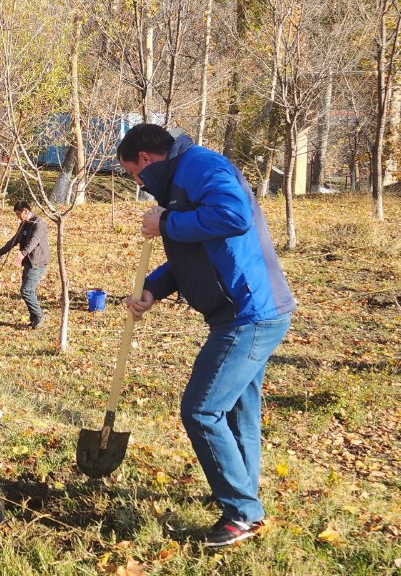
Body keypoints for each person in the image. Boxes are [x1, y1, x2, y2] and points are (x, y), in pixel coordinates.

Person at [117, 124, 296, 547]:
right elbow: (193, 256)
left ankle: (241, 512)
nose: (139, 186)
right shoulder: (181, 182)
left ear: (145, 158)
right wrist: (153, 289)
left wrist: (167, 222)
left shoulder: (200, 166)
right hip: (242, 313)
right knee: (237, 413)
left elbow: (233, 215)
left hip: (249, 314)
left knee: (201, 410)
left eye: (134, 175)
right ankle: (242, 495)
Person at [0, 200, 50, 329]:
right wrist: (0, 252)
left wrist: (22, 254)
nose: (18, 217)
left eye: (19, 214)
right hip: (28, 262)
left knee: (26, 290)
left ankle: (39, 317)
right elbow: (14, 240)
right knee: (28, 290)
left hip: (38, 261)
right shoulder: (23, 224)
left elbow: (34, 241)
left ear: (26, 211)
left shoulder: (39, 223)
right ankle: (35, 319)